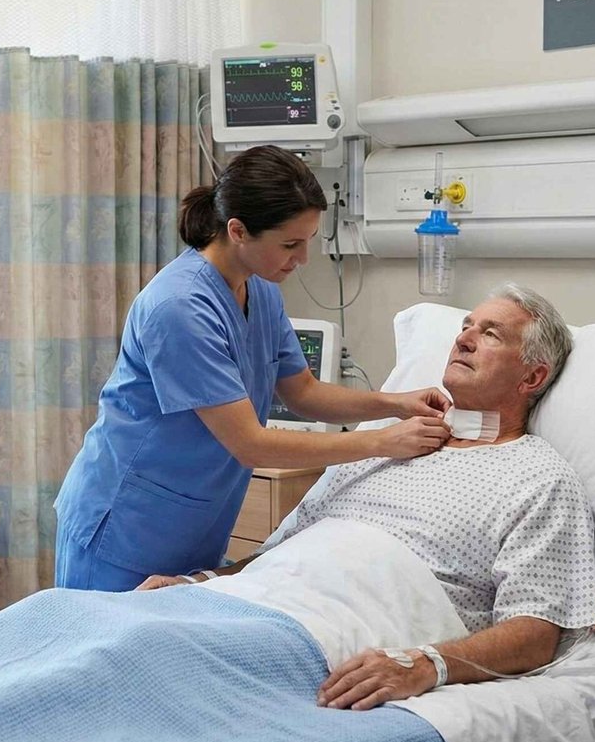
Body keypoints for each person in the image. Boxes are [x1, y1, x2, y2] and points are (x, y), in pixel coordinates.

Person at [140, 284, 595, 711]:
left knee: (145, 660)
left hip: (322, 634)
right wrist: (199, 581)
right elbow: (284, 552)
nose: (464, 339)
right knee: (104, 626)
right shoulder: (380, 446)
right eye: (465, 327)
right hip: (251, 602)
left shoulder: (539, 478)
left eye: (491, 334)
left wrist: (428, 664)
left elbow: (535, 632)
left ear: (532, 377)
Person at [53, 145, 454, 592]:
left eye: (308, 242)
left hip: (193, 522)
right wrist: (380, 442)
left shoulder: (258, 291)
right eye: (290, 244)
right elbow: (250, 444)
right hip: (125, 526)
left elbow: (301, 390)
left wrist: (392, 403)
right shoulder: (179, 308)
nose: (302, 259)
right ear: (238, 231)